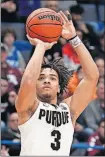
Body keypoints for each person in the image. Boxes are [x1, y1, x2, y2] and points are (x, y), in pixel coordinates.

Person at [15, 11, 99, 156]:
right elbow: (28, 80)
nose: (47, 80)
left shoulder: (69, 110)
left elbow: (92, 76)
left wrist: (74, 38)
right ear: (35, 85)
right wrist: (41, 46)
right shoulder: (28, 108)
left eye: (53, 78)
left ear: (59, 86)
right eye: (41, 77)